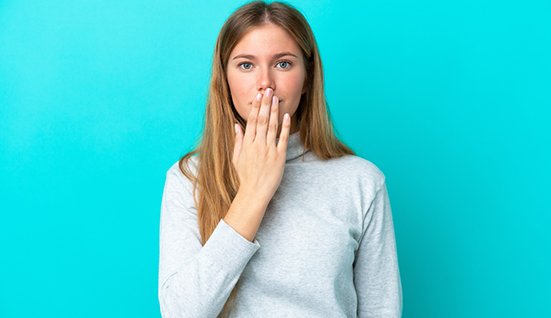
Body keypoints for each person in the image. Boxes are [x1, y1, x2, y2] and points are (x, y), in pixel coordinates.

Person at [158, 1, 403, 317]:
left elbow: (381, 310)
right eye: (246, 64)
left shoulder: (361, 182)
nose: (265, 83)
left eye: (283, 64)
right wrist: (253, 193)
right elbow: (181, 312)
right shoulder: (189, 178)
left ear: (307, 77)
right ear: (225, 78)